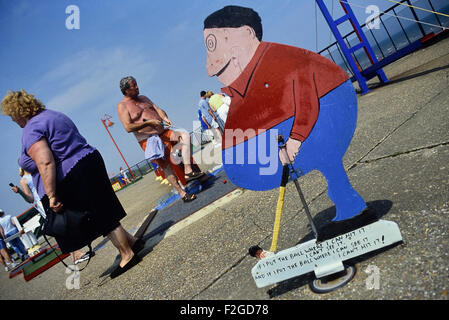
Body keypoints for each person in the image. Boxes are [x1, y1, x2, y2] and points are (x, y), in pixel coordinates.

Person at [203, 6, 375, 235]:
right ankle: (348, 202)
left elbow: (307, 101)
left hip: (326, 104)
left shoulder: (281, 60)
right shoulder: (246, 79)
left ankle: (350, 205)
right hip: (283, 126)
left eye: (213, 45)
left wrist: (295, 140)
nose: (209, 66)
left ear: (246, 33)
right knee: (319, 160)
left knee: (327, 158)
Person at [1, 89, 144, 278]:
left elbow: (45, 162)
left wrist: (51, 195)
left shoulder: (31, 129)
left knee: (99, 214)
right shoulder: (53, 115)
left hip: (73, 171)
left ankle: (127, 254)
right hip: (88, 159)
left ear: (19, 111)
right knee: (102, 207)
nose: (12, 120)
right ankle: (131, 242)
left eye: (12, 115)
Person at [117, 76, 204, 202]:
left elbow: (157, 109)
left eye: (136, 84)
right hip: (148, 139)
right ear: (126, 90)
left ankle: (188, 170)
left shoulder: (144, 98)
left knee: (185, 136)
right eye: (134, 86)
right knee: (166, 166)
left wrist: (164, 117)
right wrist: (149, 123)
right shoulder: (122, 106)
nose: (137, 87)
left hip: (163, 131)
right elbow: (128, 127)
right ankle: (182, 193)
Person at [11, 167, 88, 264]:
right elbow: (30, 199)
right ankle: (76, 254)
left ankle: (75, 253)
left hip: (52, 198)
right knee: (60, 226)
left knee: (66, 223)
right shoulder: (24, 180)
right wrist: (20, 192)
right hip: (43, 205)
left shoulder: (38, 171)